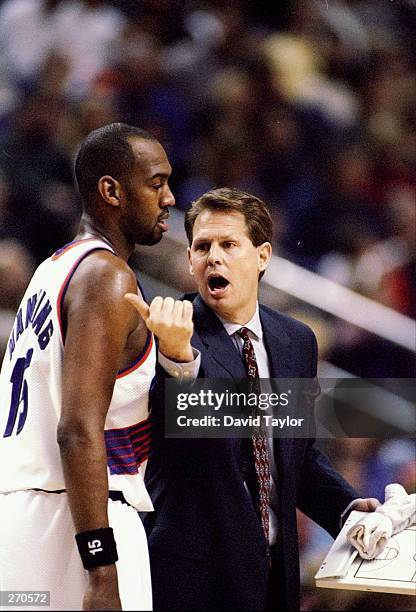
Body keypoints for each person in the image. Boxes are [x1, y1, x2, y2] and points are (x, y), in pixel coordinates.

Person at [125, 187, 380, 611]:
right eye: (202, 246)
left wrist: (350, 509)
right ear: (189, 260)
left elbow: (295, 454)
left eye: (228, 244)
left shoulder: (296, 340)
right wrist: (178, 361)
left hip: (273, 576)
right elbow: (187, 450)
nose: (214, 257)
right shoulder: (168, 332)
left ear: (262, 256)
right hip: (191, 581)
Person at [0, 122, 195, 611]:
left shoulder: (52, 271)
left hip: (21, 521)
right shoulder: (108, 277)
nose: (169, 197)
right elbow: (78, 430)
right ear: (111, 190)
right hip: (78, 524)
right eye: (156, 182)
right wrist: (102, 571)